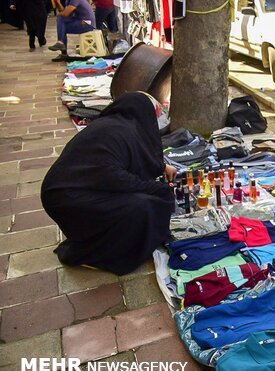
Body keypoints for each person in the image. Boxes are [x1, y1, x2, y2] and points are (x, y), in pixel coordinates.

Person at [41, 92, 176, 275]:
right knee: (143, 205)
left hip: (70, 192)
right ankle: (105, 254)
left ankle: (102, 241)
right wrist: (156, 189)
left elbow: (126, 159)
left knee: (148, 196)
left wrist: (161, 167)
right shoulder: (119, 131)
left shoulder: (117, 125)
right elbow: (112, 176)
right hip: (68, 199)